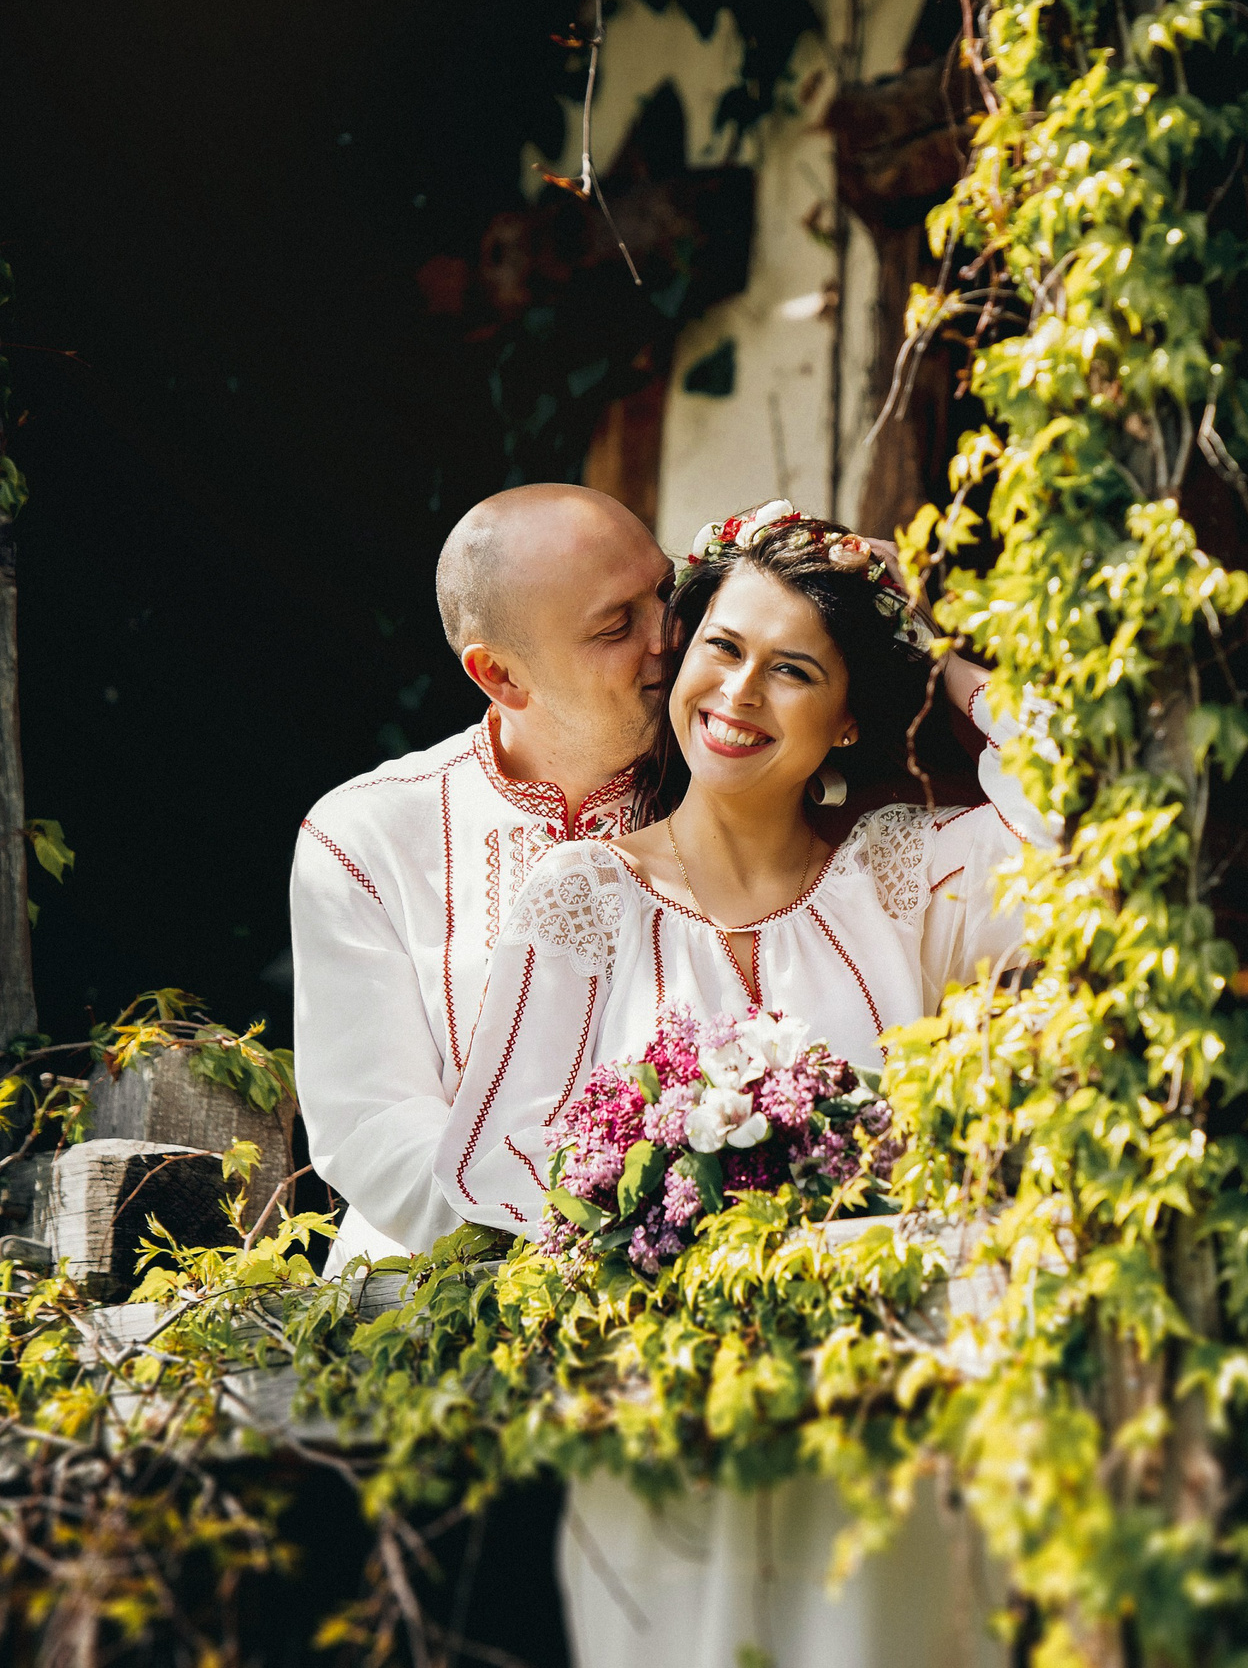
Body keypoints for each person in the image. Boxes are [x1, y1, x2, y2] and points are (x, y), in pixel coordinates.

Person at [434, 499, 1049, 1667]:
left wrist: (936, 644)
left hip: (882, 1424)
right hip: (669, 1430)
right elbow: (487, 1158)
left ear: (849, 710)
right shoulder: (584, 894)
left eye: (795, 669)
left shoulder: (902, 877)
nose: (740, 692)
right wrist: (656, 1217)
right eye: (721, 647)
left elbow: (1085, 816)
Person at [291, 483, 677, 1269]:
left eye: (666, 591)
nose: (669, 636)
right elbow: (374, 1122)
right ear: (499, 674)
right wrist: (563, 1246)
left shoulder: (740, 788)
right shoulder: (364, 834)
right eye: (617, 626)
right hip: (430, 1301)